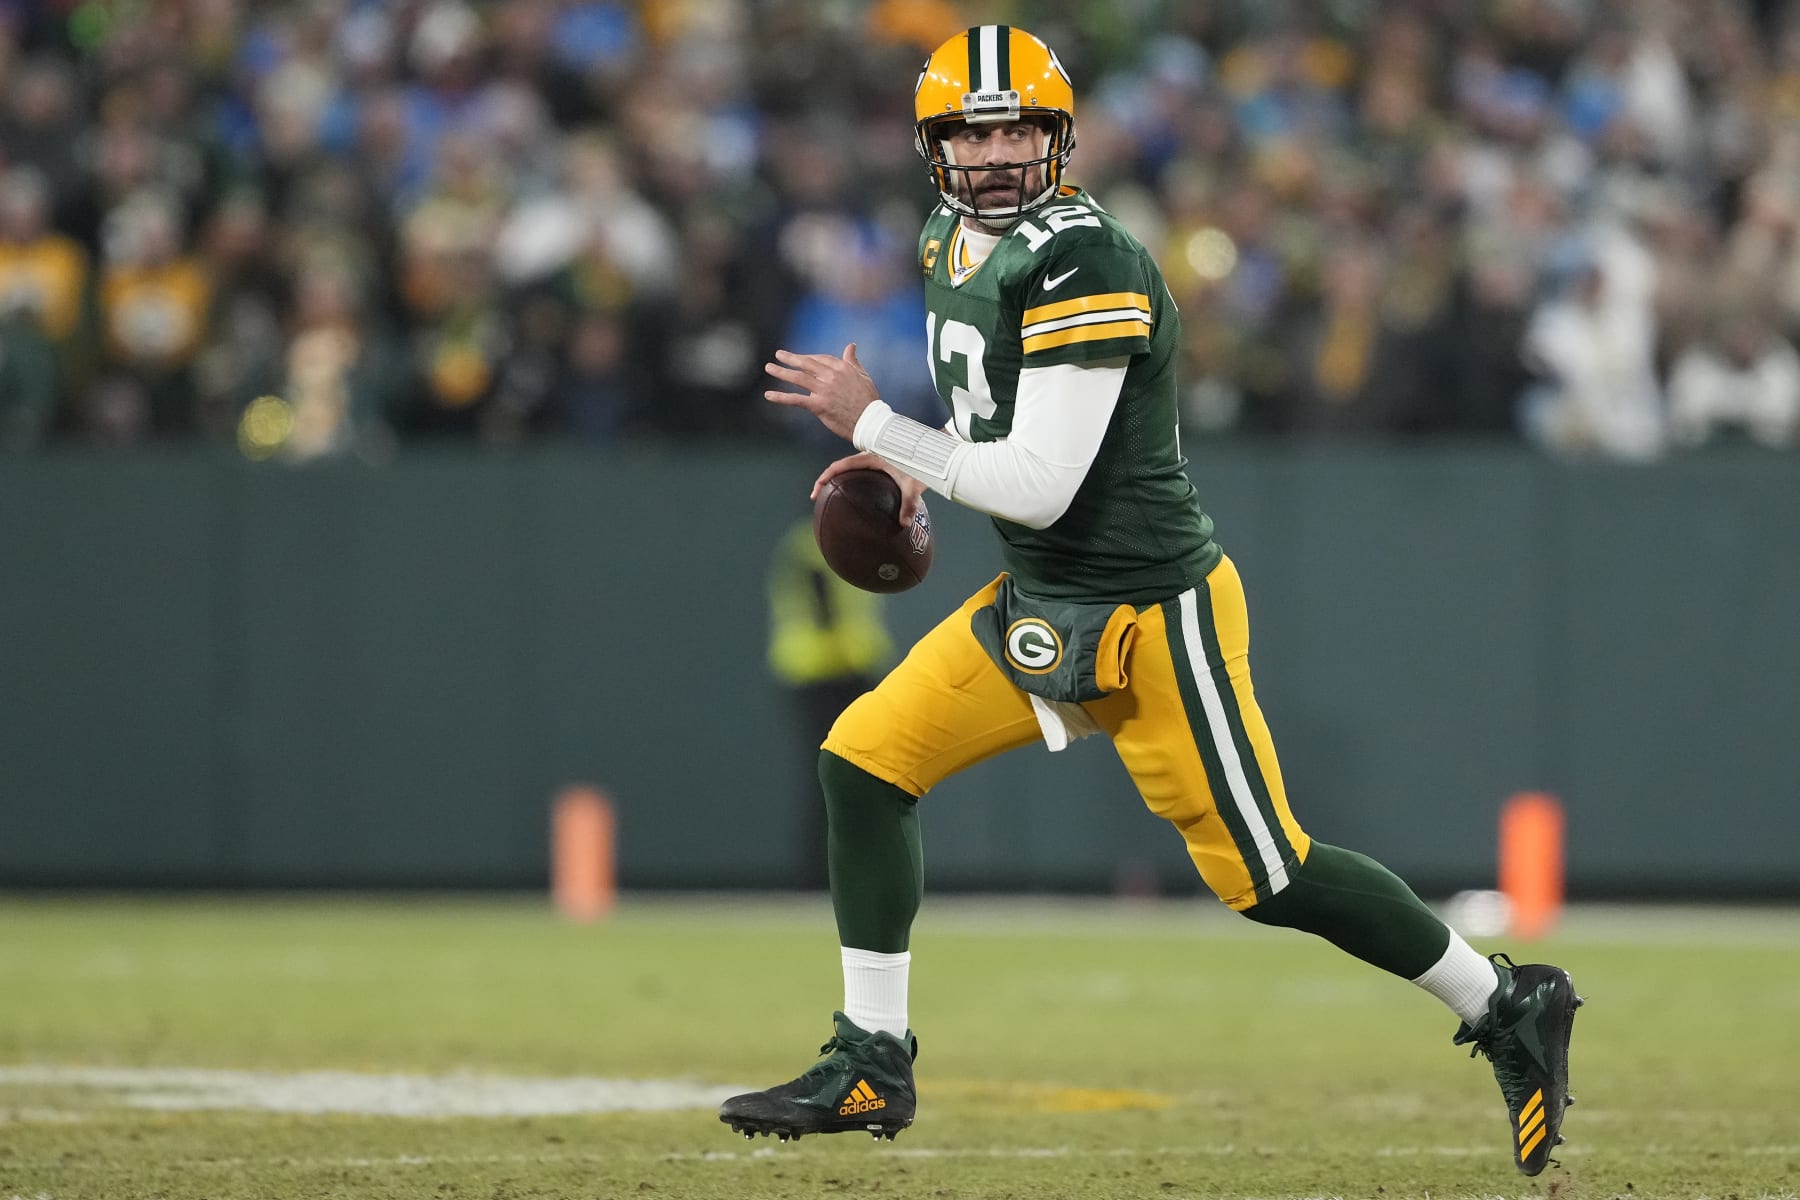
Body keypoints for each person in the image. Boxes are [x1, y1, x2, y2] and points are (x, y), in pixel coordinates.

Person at [720, 25, 1582, 1178]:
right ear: (934, 145)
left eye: (1017, 124)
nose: (996, 151)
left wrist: (877, 429)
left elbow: (1040, 480)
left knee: (1267, 874)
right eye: (972, 130)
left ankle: (1507, 998)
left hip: (1149, 613)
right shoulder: (946, 240)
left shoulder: (1088, 259)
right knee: (863, 760)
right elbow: (994, 437)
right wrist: (908, 478)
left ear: (1057, 135)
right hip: (1040, 595)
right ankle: (871, 1051)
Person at [766, 513, 896, 887]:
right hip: (827, 674)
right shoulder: (815, 543)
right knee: (839, 776)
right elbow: (827, 611)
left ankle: (835, 869)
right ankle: (827, 871)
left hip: (840, 671)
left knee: (841, 777)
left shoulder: (821, 538)